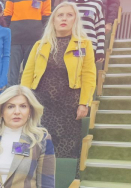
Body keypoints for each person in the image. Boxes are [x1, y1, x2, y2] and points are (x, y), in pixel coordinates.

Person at [21, 1, 96, 160]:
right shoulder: (39, 45)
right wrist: (23, 100)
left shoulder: (84, 45)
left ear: (75, 19)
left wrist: (84, 103)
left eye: (69, 15)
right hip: (41, 102)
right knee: (37, 143)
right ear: (53, 20)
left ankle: (63, 175)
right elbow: (28, 74)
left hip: (69, 104)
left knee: (65, 148)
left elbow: (89, 76)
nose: (64, 18)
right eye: (60, 15)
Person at [4, 0, 52, 86]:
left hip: (34, 40)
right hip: (15, 39)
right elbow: (7, 16)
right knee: (12, 75)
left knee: (29, 73)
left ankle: (27, 94)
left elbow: (47, 17)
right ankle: (12, 93)